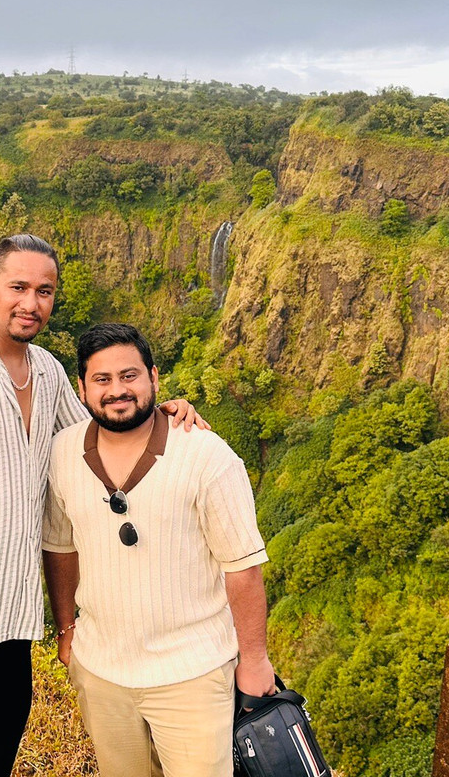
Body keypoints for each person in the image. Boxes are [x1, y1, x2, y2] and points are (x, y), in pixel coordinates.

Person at [0, 235, 204, 777]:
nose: (30, 303)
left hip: (12, 617)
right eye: (18, 287)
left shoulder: (48, 371)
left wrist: (162, 410)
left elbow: (95, 435)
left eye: (44, 291)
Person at [42, 322, 277, 777]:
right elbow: (60, 547)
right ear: (82, 387)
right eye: (102, 380)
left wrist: (255, 660)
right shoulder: (63, 453)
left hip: (192, 674)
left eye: (129, 376)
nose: (117, 391)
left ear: (153, 376)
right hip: (102, 671)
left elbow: (242, 568)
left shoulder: (207, 455)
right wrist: (66, 630)